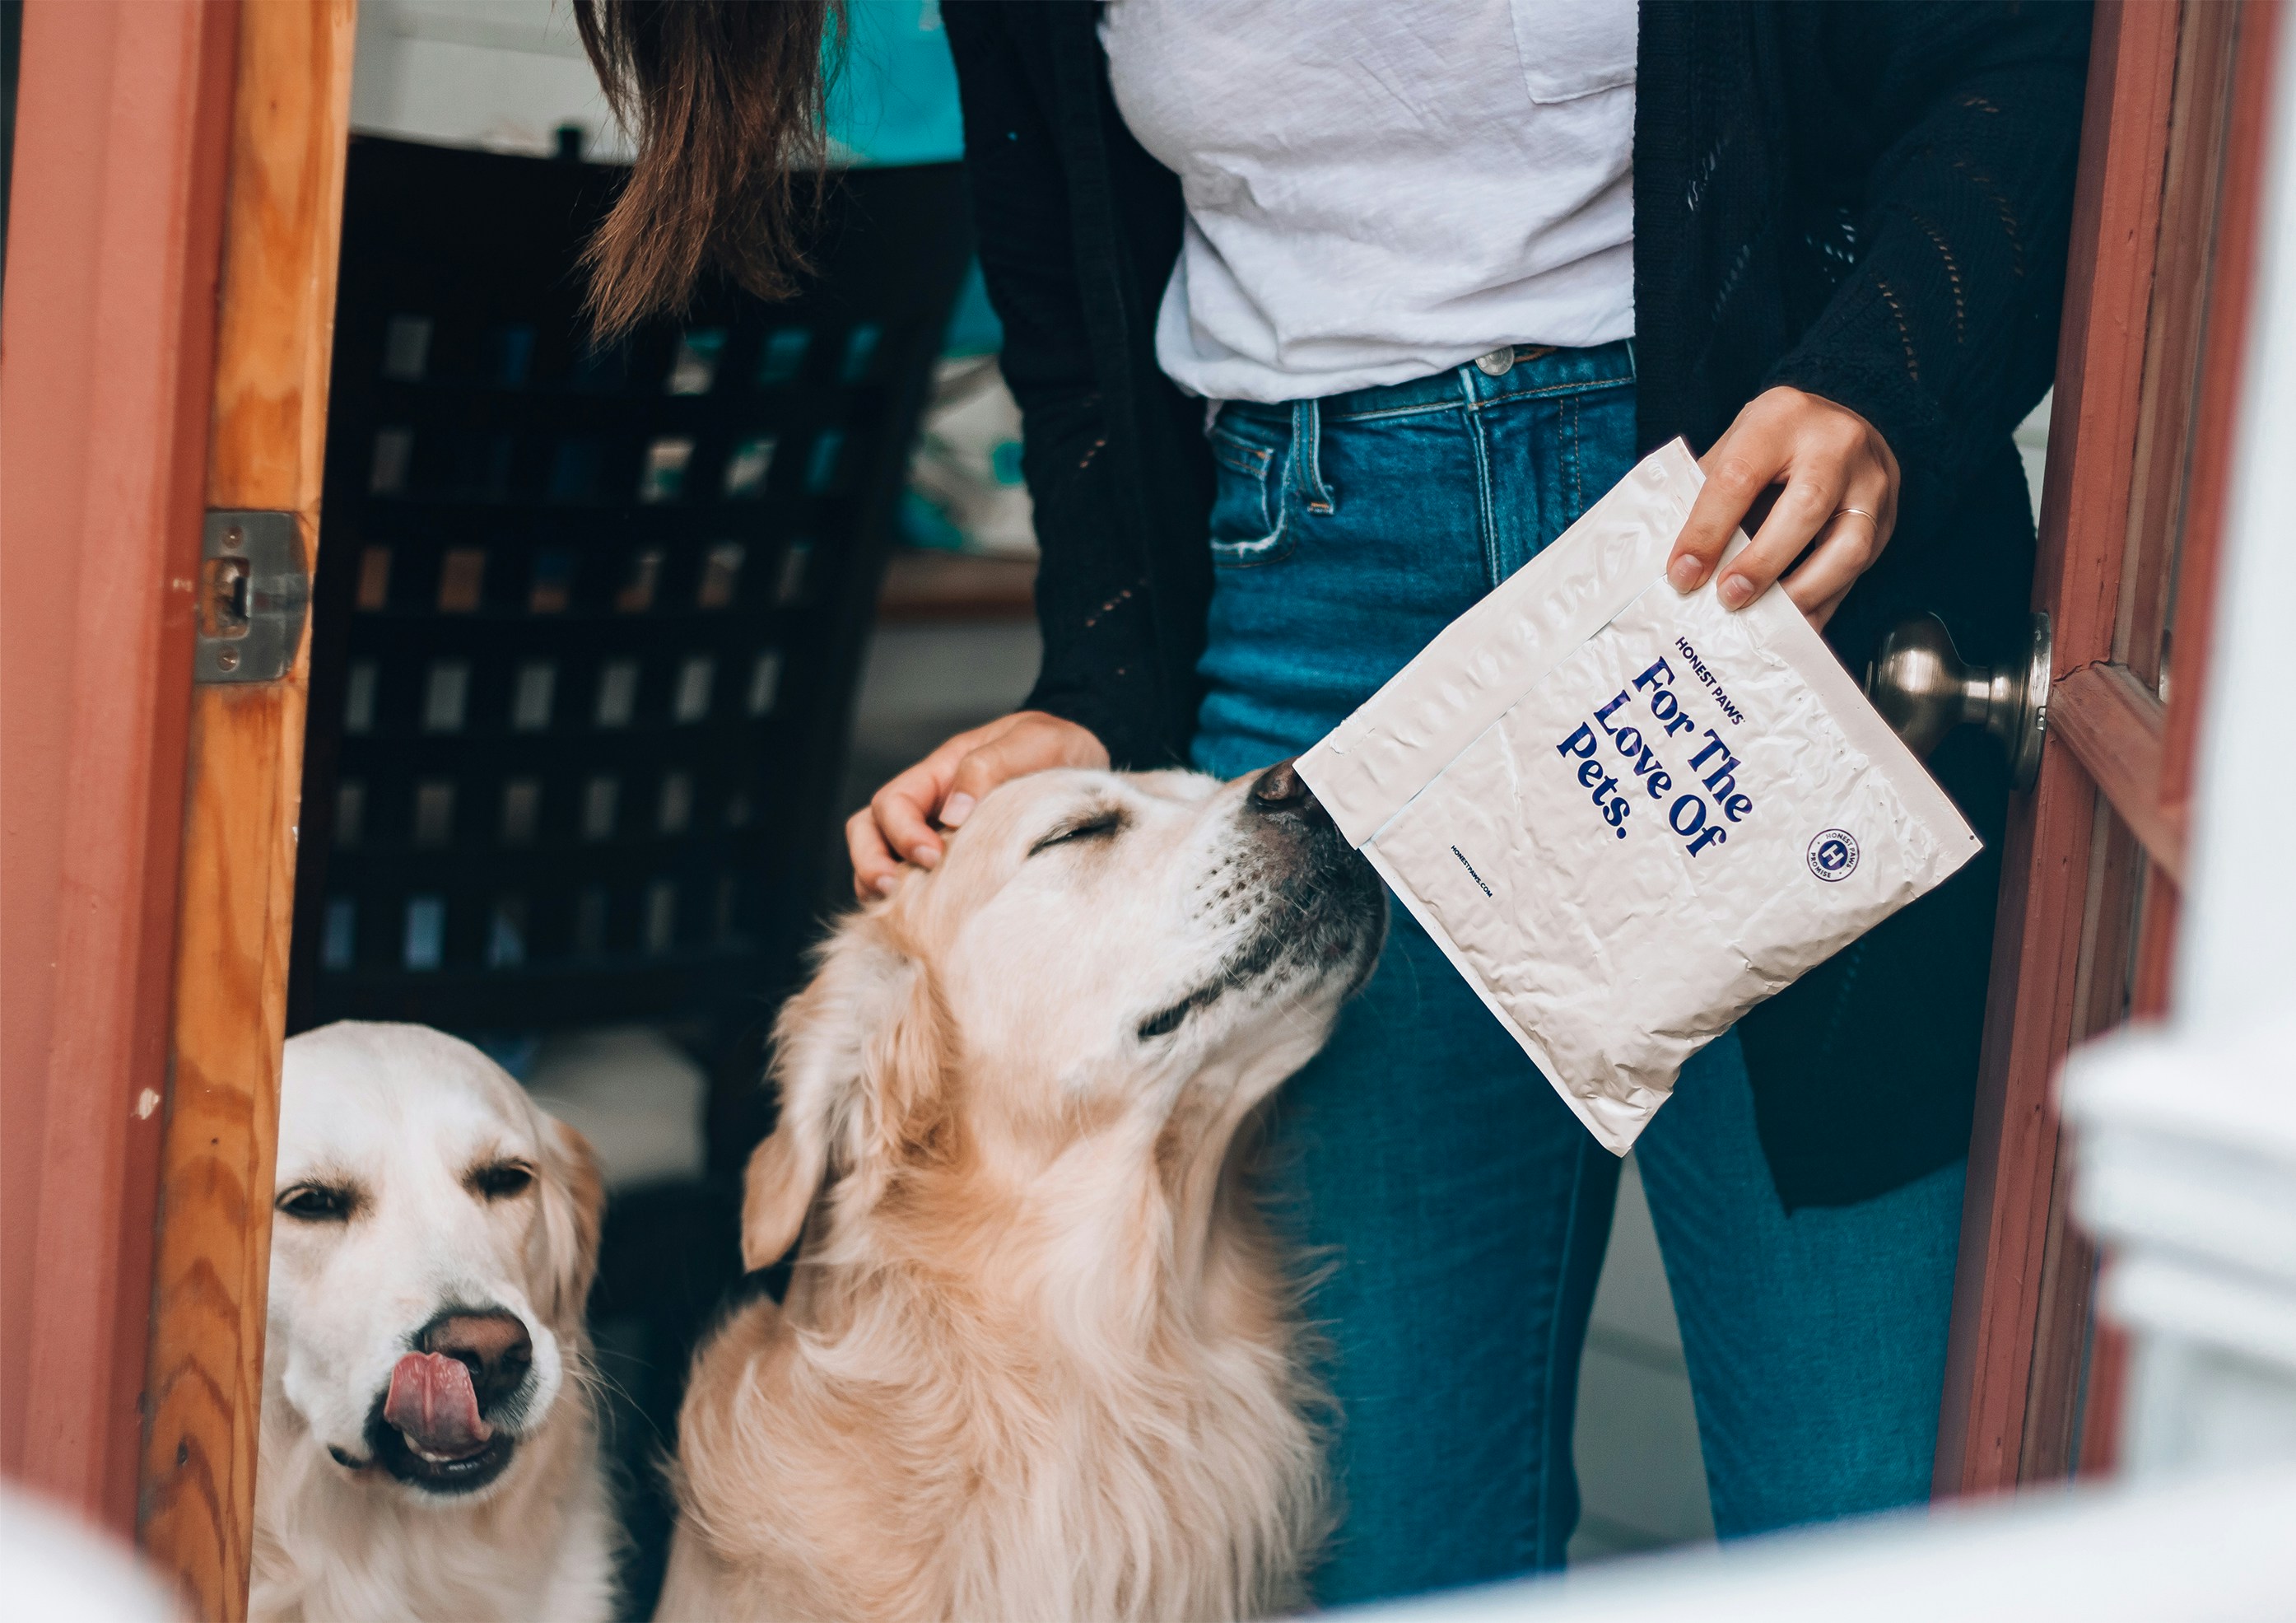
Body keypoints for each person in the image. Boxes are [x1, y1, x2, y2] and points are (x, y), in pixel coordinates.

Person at [577, 1, 2090, 1605]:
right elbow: (1074, 318)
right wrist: (1093, 689)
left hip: (1753, 570)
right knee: (1392, 1550)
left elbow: (2037, 57)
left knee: (1874, 1530)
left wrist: (1879, 378)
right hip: (1318, 605)